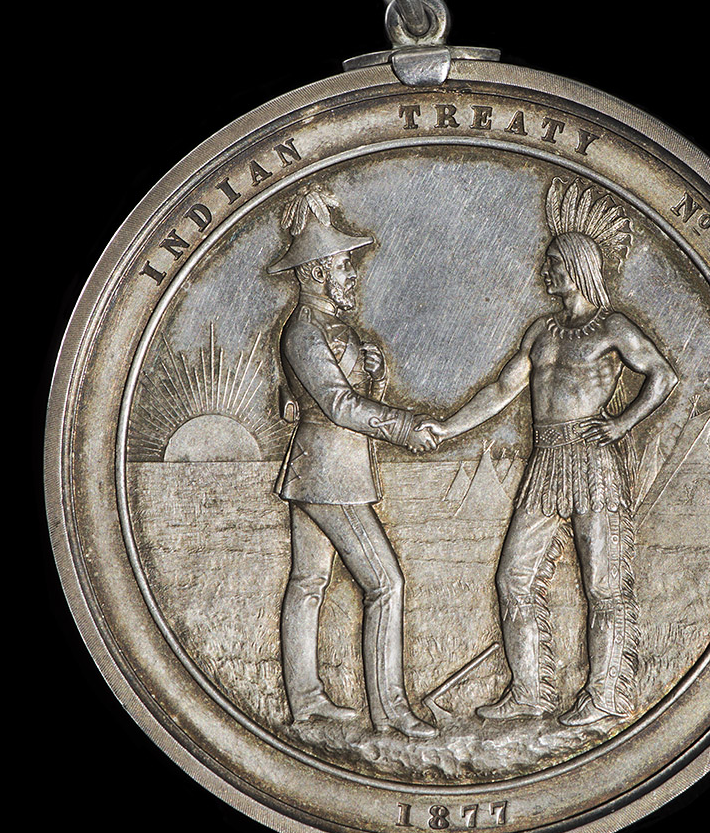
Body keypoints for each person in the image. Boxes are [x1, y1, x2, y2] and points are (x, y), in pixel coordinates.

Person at [420, 179, 678, 726]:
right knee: (513, 576)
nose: (546, 271)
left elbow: (662, 374)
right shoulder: (541, 330)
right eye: (547, 262)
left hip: (593, 459)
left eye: (555, 262)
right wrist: (446, 426)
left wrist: (623, 423)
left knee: (602, 585)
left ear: (580, 268)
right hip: (546, 462)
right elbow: (500, 392)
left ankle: (606, 695)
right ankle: (531, 691)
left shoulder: (612, 327)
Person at [269, 186, 437, 738]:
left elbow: (334, 394)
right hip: (330, 476)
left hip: (320, 471)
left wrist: (375, 373)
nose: (350, 275)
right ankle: (389, 712)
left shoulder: (327, 329)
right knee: (384, 583)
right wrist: (405, 424)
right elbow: (337, 405)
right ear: (316, 272)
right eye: (342, 266)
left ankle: (307, 704)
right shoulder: (304, 331)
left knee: (309, 582)